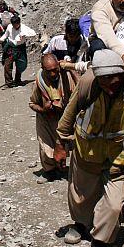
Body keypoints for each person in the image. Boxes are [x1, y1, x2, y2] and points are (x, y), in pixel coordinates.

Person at [56, 49, 124, 247]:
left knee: (114, 204)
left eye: (113, 78)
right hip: (87, 153)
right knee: (81, 196)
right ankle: (81, 225)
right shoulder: (87, 85)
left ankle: (102, 242)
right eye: (104, 80)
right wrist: (61, 143)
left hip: (118, 158)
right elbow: (69, 115)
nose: (109, 84)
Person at [29, 54, 78, 183]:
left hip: (64, 117)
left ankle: (61, 167)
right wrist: (43, 109)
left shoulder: (67, 77)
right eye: (49, 71)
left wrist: (72, 70)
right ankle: (49, 171)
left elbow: (80, 92)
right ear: (43, 69)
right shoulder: (39, 82)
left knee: (66, 143)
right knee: (46, 146)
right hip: (46, 118)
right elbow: (32, 104)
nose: (53, 74)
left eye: (55, 70)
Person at [0, 15, 36, 87]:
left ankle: (17, 80)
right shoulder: (9, 27)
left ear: (19, 23)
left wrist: (25, 34)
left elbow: (33, 33)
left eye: (16, 24)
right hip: (10, 48)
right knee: (7, 65)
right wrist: (0, 39)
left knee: (20, 65)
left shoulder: (24, 28)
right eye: (13, 24)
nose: (14, 26)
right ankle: (9, 82)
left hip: (20, 48)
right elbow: (6, 35)